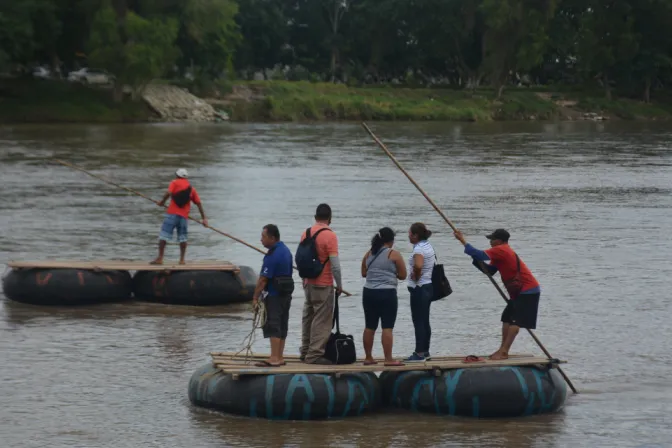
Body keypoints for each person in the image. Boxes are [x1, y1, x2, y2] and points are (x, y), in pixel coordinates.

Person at [454, 228, 541, 360]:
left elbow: (479, 254)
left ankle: (504, 351)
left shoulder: (502, 249)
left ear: (499, 241)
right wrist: (475, 258)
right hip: (517, 292)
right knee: (506, 317)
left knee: (516, 320)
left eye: (492, 239)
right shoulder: (499, 253)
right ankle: (502, 349)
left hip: (528, 290)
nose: (490, 242)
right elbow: (489, 271)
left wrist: (462, 241)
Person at [298, 203, 343, 365]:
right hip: (323, 284)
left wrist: (304, 280)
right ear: (330, 218)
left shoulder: (306, 233)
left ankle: (304, 351)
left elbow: (302, 258)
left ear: (315, 217)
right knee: (322, 320)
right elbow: (335, 265)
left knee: (308, 317)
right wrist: (340, 284)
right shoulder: (330, 236)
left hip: (307, 282)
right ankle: (314, 355)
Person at [360, 227, 407, 366]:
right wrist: (393, 275)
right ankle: (388, 359)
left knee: (369, 326)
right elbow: (403, 275)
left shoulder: (368, 254)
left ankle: (368, 357)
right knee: (387, 327)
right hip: (387, 293)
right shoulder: (394, 254)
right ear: (391, 240)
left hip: (368, 293)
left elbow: (364, 273)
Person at [252, 224, 294, 367]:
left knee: (274, 324)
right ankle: (280, 356)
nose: (261, 240)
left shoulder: (272, 255)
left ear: (272, 238)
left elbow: (263, 279)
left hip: (275, 295)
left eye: (263, 237)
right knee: (283, 324)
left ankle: (274, 358)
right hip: (286, 294)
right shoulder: (286, 251)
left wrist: (255, 298)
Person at [151, 168, 208, 265]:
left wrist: (162, 202)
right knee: (183, 238)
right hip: (183, 217)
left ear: (177, 175)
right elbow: (198, 203)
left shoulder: (174, 182)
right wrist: (204, 219)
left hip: (172, 214)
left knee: (163, 236)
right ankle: (182, 260)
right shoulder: (191, 189)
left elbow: (168, 193)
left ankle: (160, 258)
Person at [406, 222, 436, 362]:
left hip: (419, 288)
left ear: (416, 235)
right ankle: (425, 351)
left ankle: (419, 353)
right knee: (425, 320)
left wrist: (416, 275)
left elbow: (418, 264)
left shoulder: (418, 249)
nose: (409, 236)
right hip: (428, 286)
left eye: (410, 234)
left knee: (418, 321)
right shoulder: (428, 245)